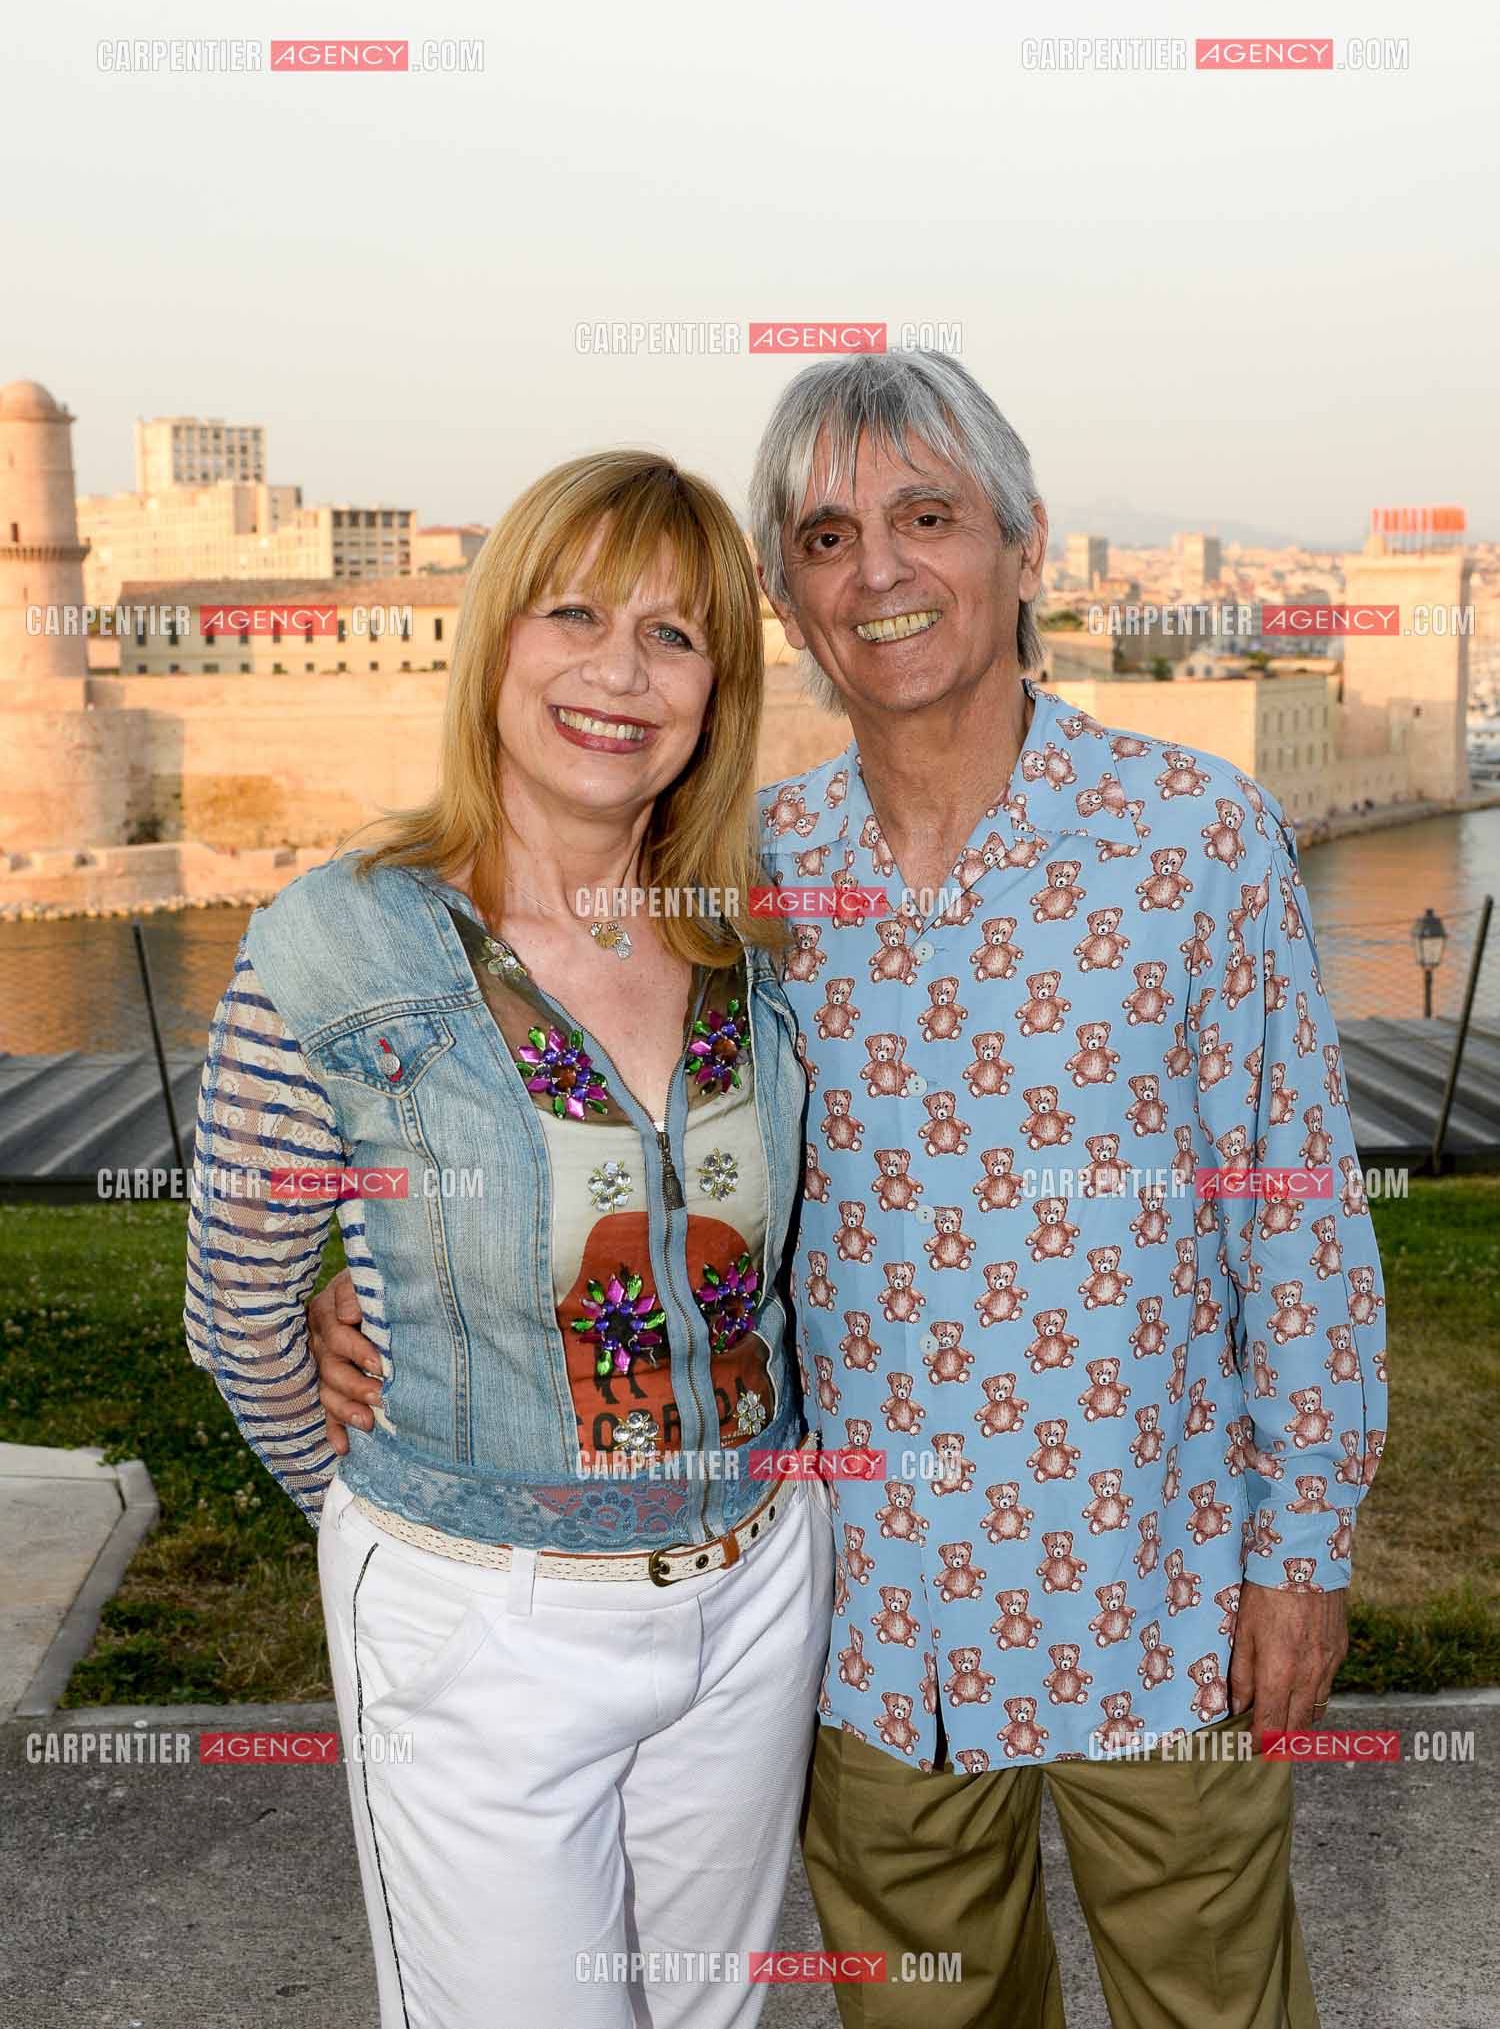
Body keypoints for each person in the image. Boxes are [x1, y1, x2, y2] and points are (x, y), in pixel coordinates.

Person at [313, 355, 1389, 2029]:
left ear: (1023, 543)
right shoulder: (746, 885)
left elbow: (1301, 1223)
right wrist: (376, 1271)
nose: (879, 569)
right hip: (873, 1630)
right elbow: (623, 1151)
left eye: (926, 517)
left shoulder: (1199, 841)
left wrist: (1299, 1550)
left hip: (1161, 1601)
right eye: (826, 536)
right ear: (790, 604)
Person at [183, 451, 834, 2029]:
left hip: (752, 1596)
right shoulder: (338, 944)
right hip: (483, 1623)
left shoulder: (758, 933)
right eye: (579, 612)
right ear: (496, 644)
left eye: (677, 636)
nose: (622, 671)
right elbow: (239, 1308)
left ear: (718, 691)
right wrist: (403, 1544)